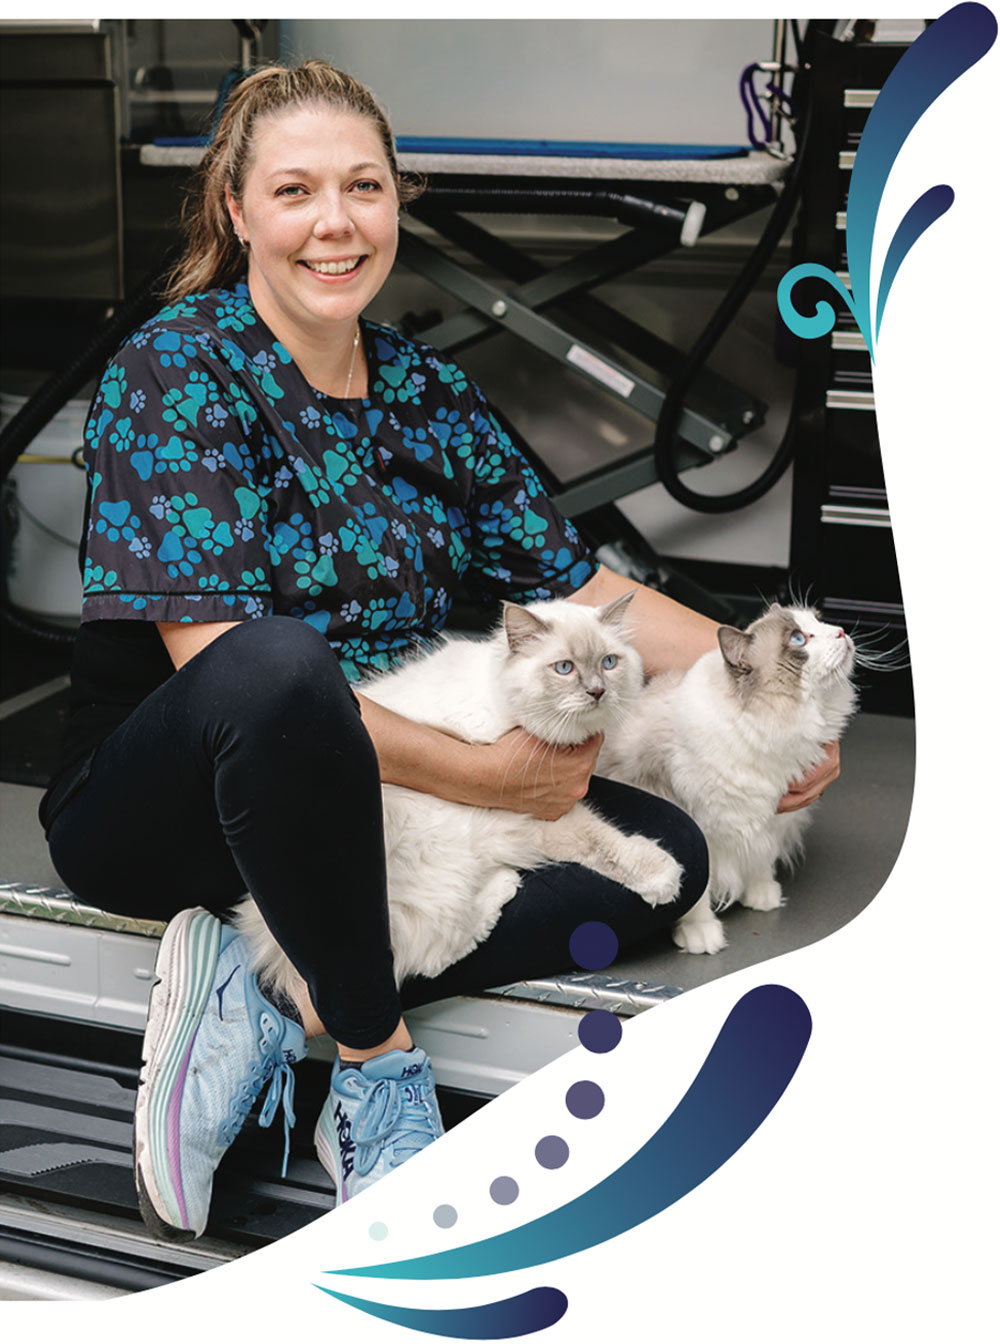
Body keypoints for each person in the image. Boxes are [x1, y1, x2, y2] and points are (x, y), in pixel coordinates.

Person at [40, 60, 839, 1242]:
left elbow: (577, 586)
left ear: (395, 202)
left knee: (661, 853)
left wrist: (755, 683)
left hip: (379, 811)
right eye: (296, 189)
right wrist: (491, 777)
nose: (335, 222)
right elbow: (229, 677)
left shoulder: (428, 395)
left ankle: (262, 996)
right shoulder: (176, 370)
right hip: (179, 811)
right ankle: (372, 1062)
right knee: (275, 662)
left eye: (363, 187)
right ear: (237, 210)